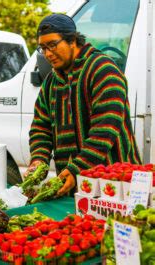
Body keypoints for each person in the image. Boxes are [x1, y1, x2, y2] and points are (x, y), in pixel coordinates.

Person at [27, 14, 141, 197]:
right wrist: (39, 160)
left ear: (72, 40)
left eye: (53, 45)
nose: (48, 53)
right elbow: (41, 127)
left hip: (117, 187)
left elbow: (105, 129)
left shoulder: (103, 70)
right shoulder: (51, 82)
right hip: (73, 189)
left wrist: (77, 168)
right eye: (43, 48)